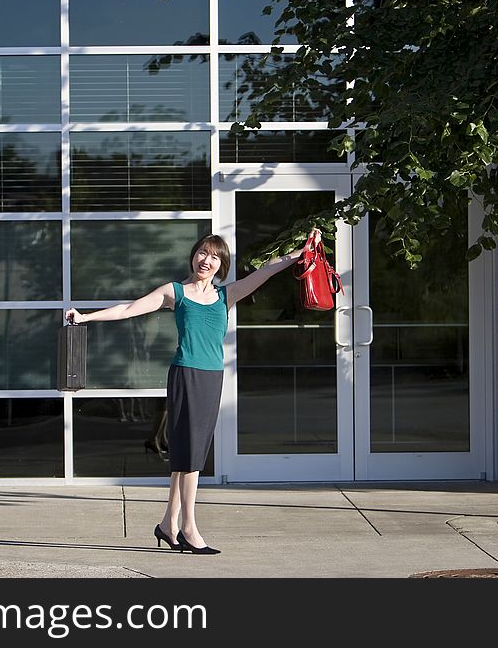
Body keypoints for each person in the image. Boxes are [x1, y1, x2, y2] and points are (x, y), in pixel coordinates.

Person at [65, 228, 320, 554]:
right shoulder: (176, 292)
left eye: (215, 257)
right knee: (191, 455)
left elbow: (267, 269)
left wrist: (303, 251)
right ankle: (189, 529)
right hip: (186, 375)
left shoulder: (225, 296)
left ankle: (168, 525)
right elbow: (129, 309)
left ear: (221, 266)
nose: (207, 260)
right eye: (203, 253)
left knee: (187, 453)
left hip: (212, 378)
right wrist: (86, 317)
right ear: (194, 256)